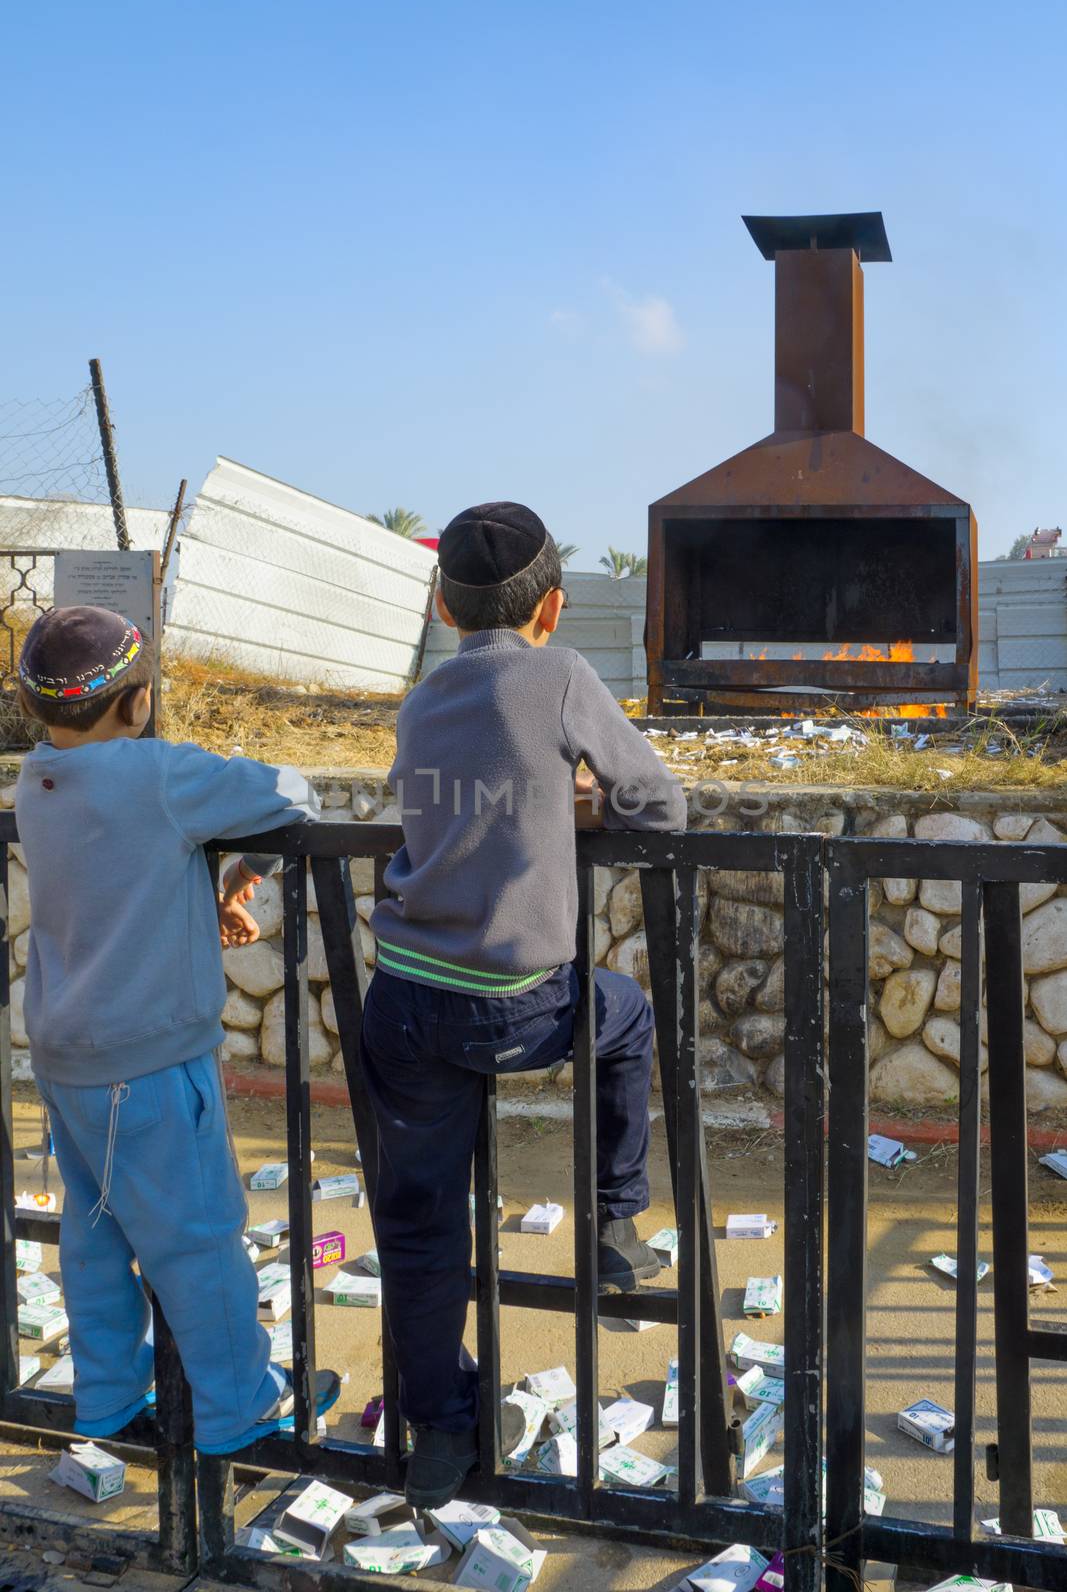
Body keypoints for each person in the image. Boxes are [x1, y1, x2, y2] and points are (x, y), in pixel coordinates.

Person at [360, 503, 688, 1507]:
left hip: (405, 999)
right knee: (623, 1014)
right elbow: (659, 803)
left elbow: (433, 806)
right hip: (515, 1003)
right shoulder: (558, 676)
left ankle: (440, 1430)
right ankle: (612, 1220)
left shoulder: (420, 698)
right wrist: (580, 804)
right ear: (551, 606)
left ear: (440, 602)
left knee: (418, 1230)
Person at [15, 605, 339, 1453]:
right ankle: (238, 1405)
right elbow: (290, 791)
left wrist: (210, 876)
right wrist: (245, 869)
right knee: (197, 1237)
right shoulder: (157, 774)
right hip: (151, 1061)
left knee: (94, 1239)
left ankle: (109, 1402)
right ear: (140, 701)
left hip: (64, 1055)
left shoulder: (36, 778)